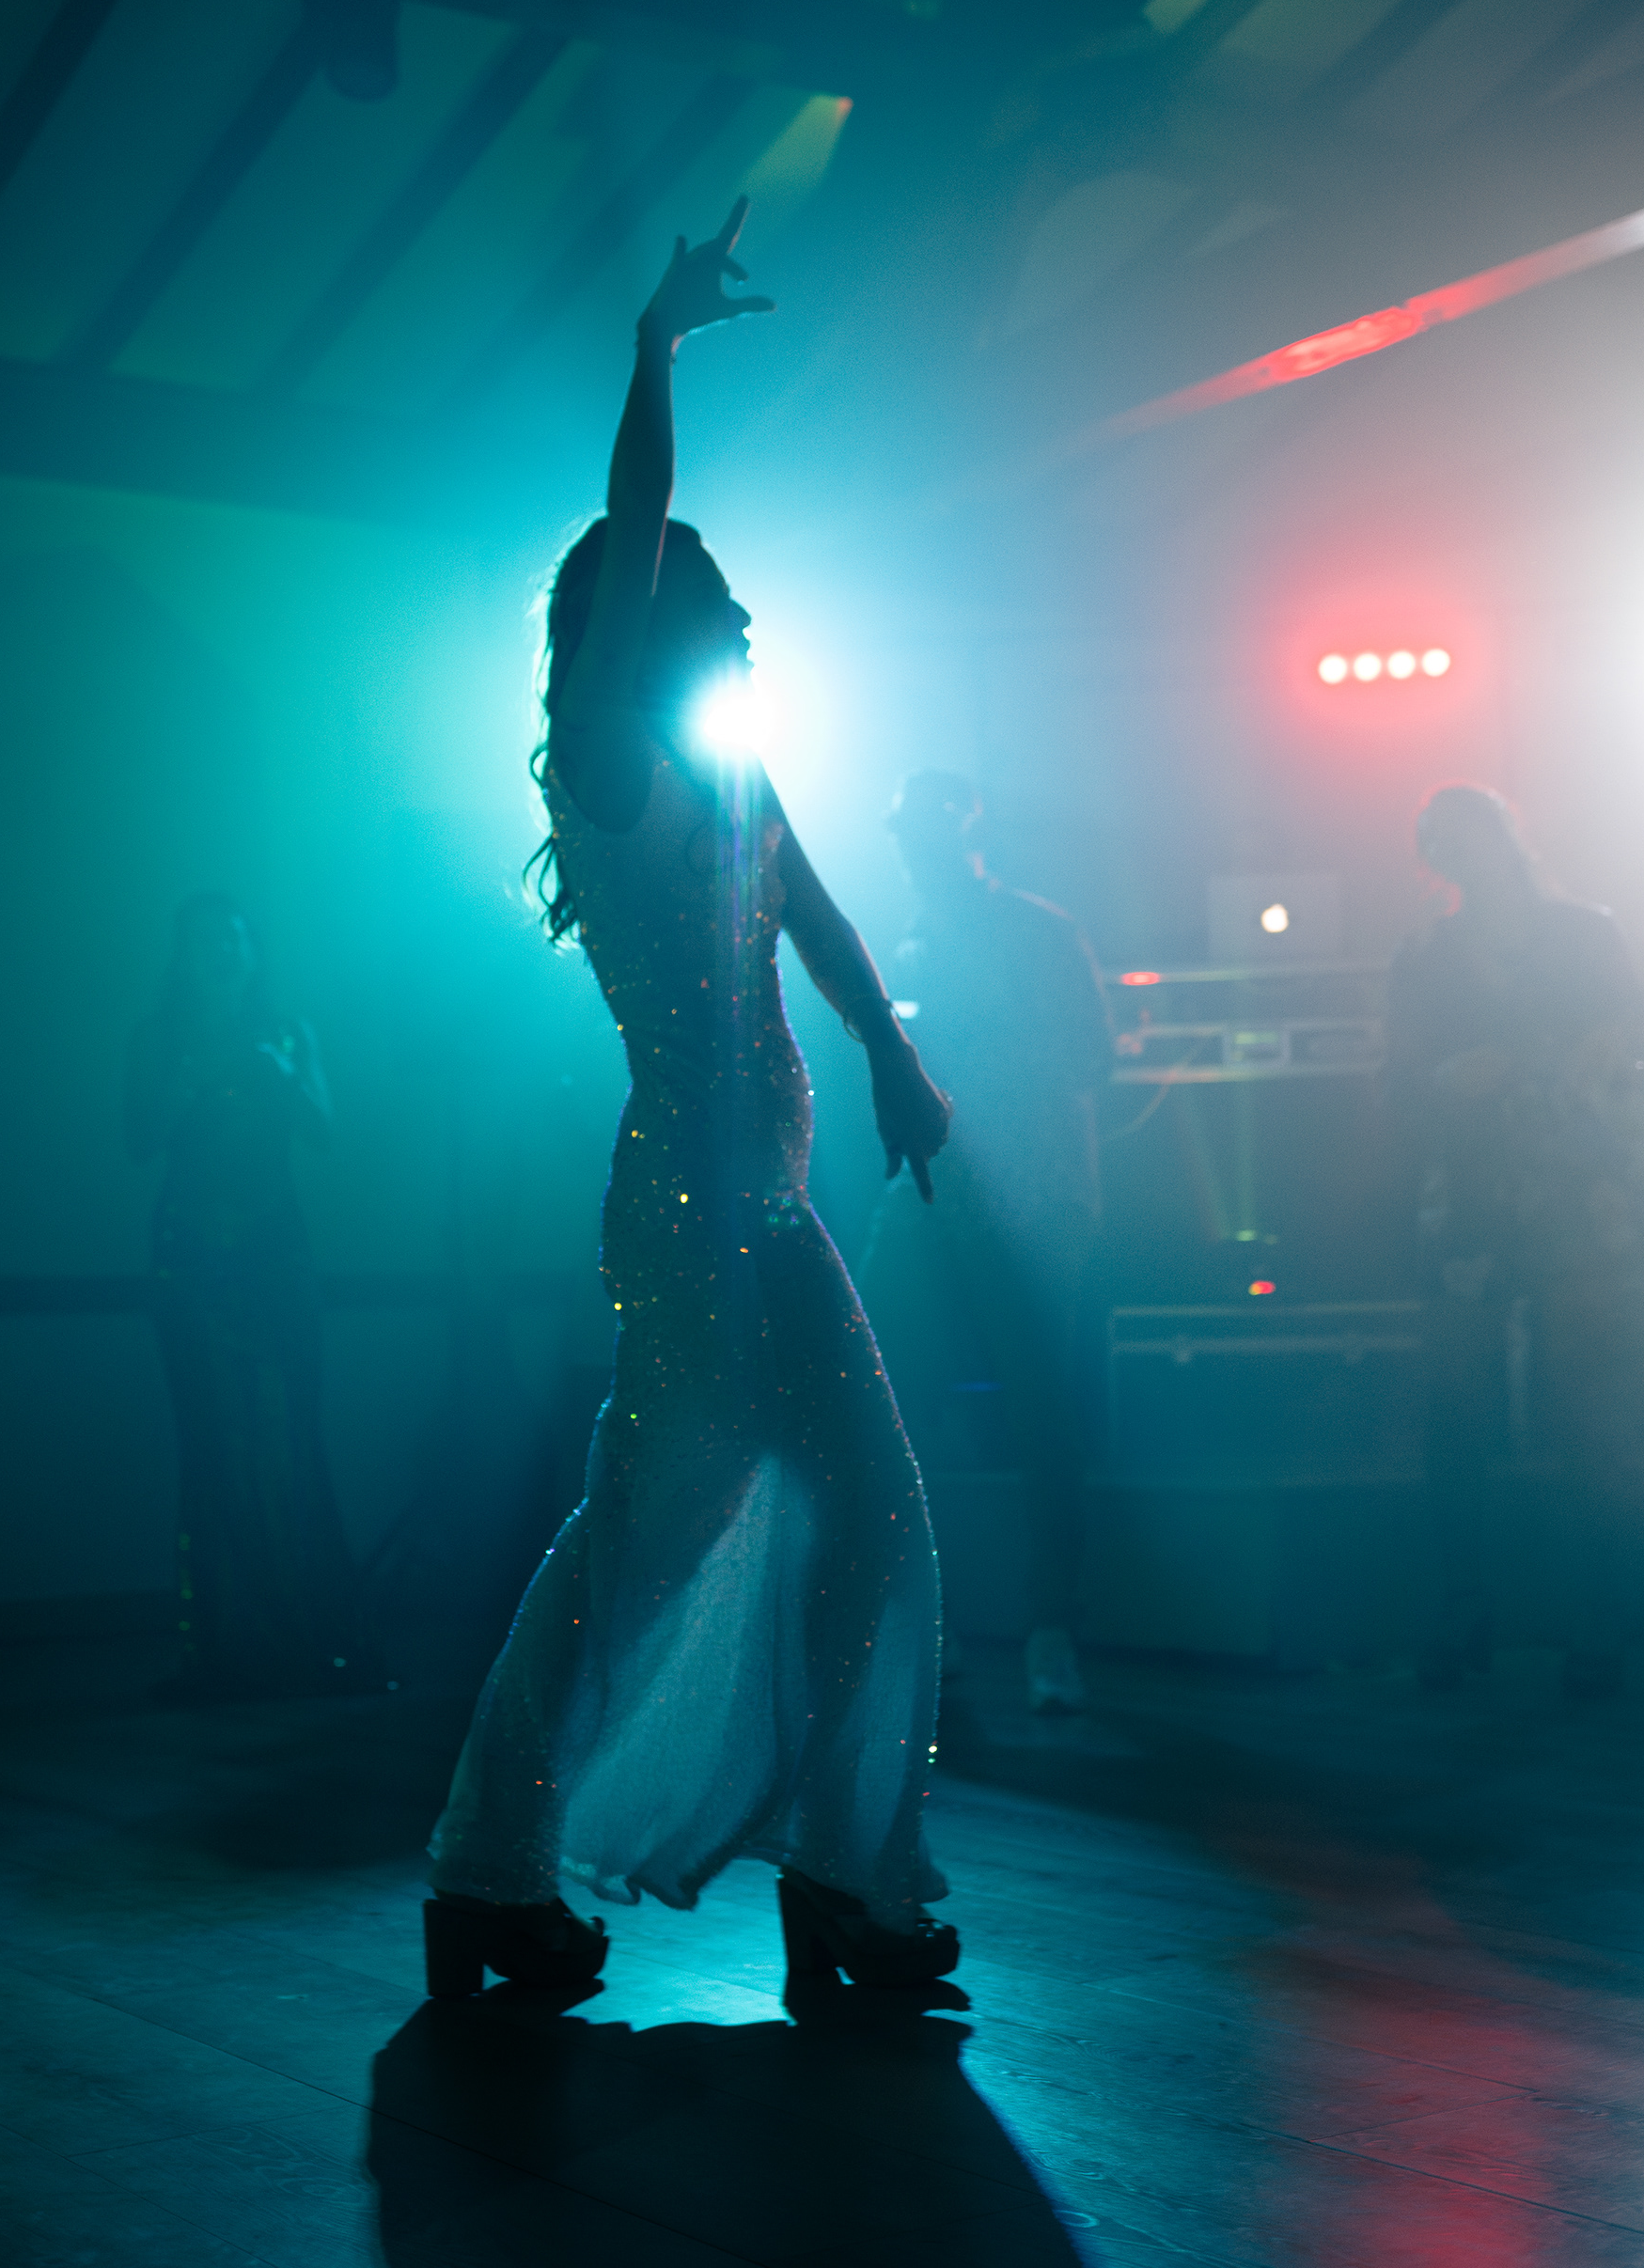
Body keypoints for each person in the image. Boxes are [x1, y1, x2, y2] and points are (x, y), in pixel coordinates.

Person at [424, 202, 958, 1998]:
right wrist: (656, 350)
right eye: (706, 594)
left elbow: (822, 920)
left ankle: (819, 1883)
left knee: (791, 1528)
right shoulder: (610, 769)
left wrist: (894, 1057)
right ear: (638, 623)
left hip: (762, 1205)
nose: (741, 613)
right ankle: (533, 1874)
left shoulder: (729, 783)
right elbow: (640, 521)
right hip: (695, 1214)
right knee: (698, 1545)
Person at [1387, 786, 1644, 1696]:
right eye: (1446, 845)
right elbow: (1396, 1082)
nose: (1465, 857)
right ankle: (1465, 1615)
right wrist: (1447, 1079)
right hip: (1471, 1199)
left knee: (1588, 1413)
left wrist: (1604, 1054)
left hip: (1575, 1195)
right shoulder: (1426, 956)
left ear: (1508, 840)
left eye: (1473, 839)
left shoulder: (1585, 934)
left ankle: (1598, 1627)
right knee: (1457, 1415)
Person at [856, 772, 1112, 1712]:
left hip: (1029, 1199)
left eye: (919, 835)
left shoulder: (1037, 931)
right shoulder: (913, 940)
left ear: (963, 832)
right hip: (937, 1191)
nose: (908, 852)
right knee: (881, 1393)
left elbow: (1092, 1056)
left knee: (1040, 1406)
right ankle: (931, 1622)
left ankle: (1051, 1632)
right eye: (902, 837)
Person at [124, 893, 367, 1697]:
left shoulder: (288, 1032)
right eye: (204, 941)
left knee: (291, 1432)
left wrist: (284, 1075)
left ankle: (310, 1639)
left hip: (274, 1250)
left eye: (232, 938)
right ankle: (221, 1648)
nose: (220, 952)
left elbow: (326, 1133)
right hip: (192, 1253)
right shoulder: (160, 1037)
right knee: (212, 1438)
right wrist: (190, 1077)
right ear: (183, 957)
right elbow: (137, 1139)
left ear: (252, 951)